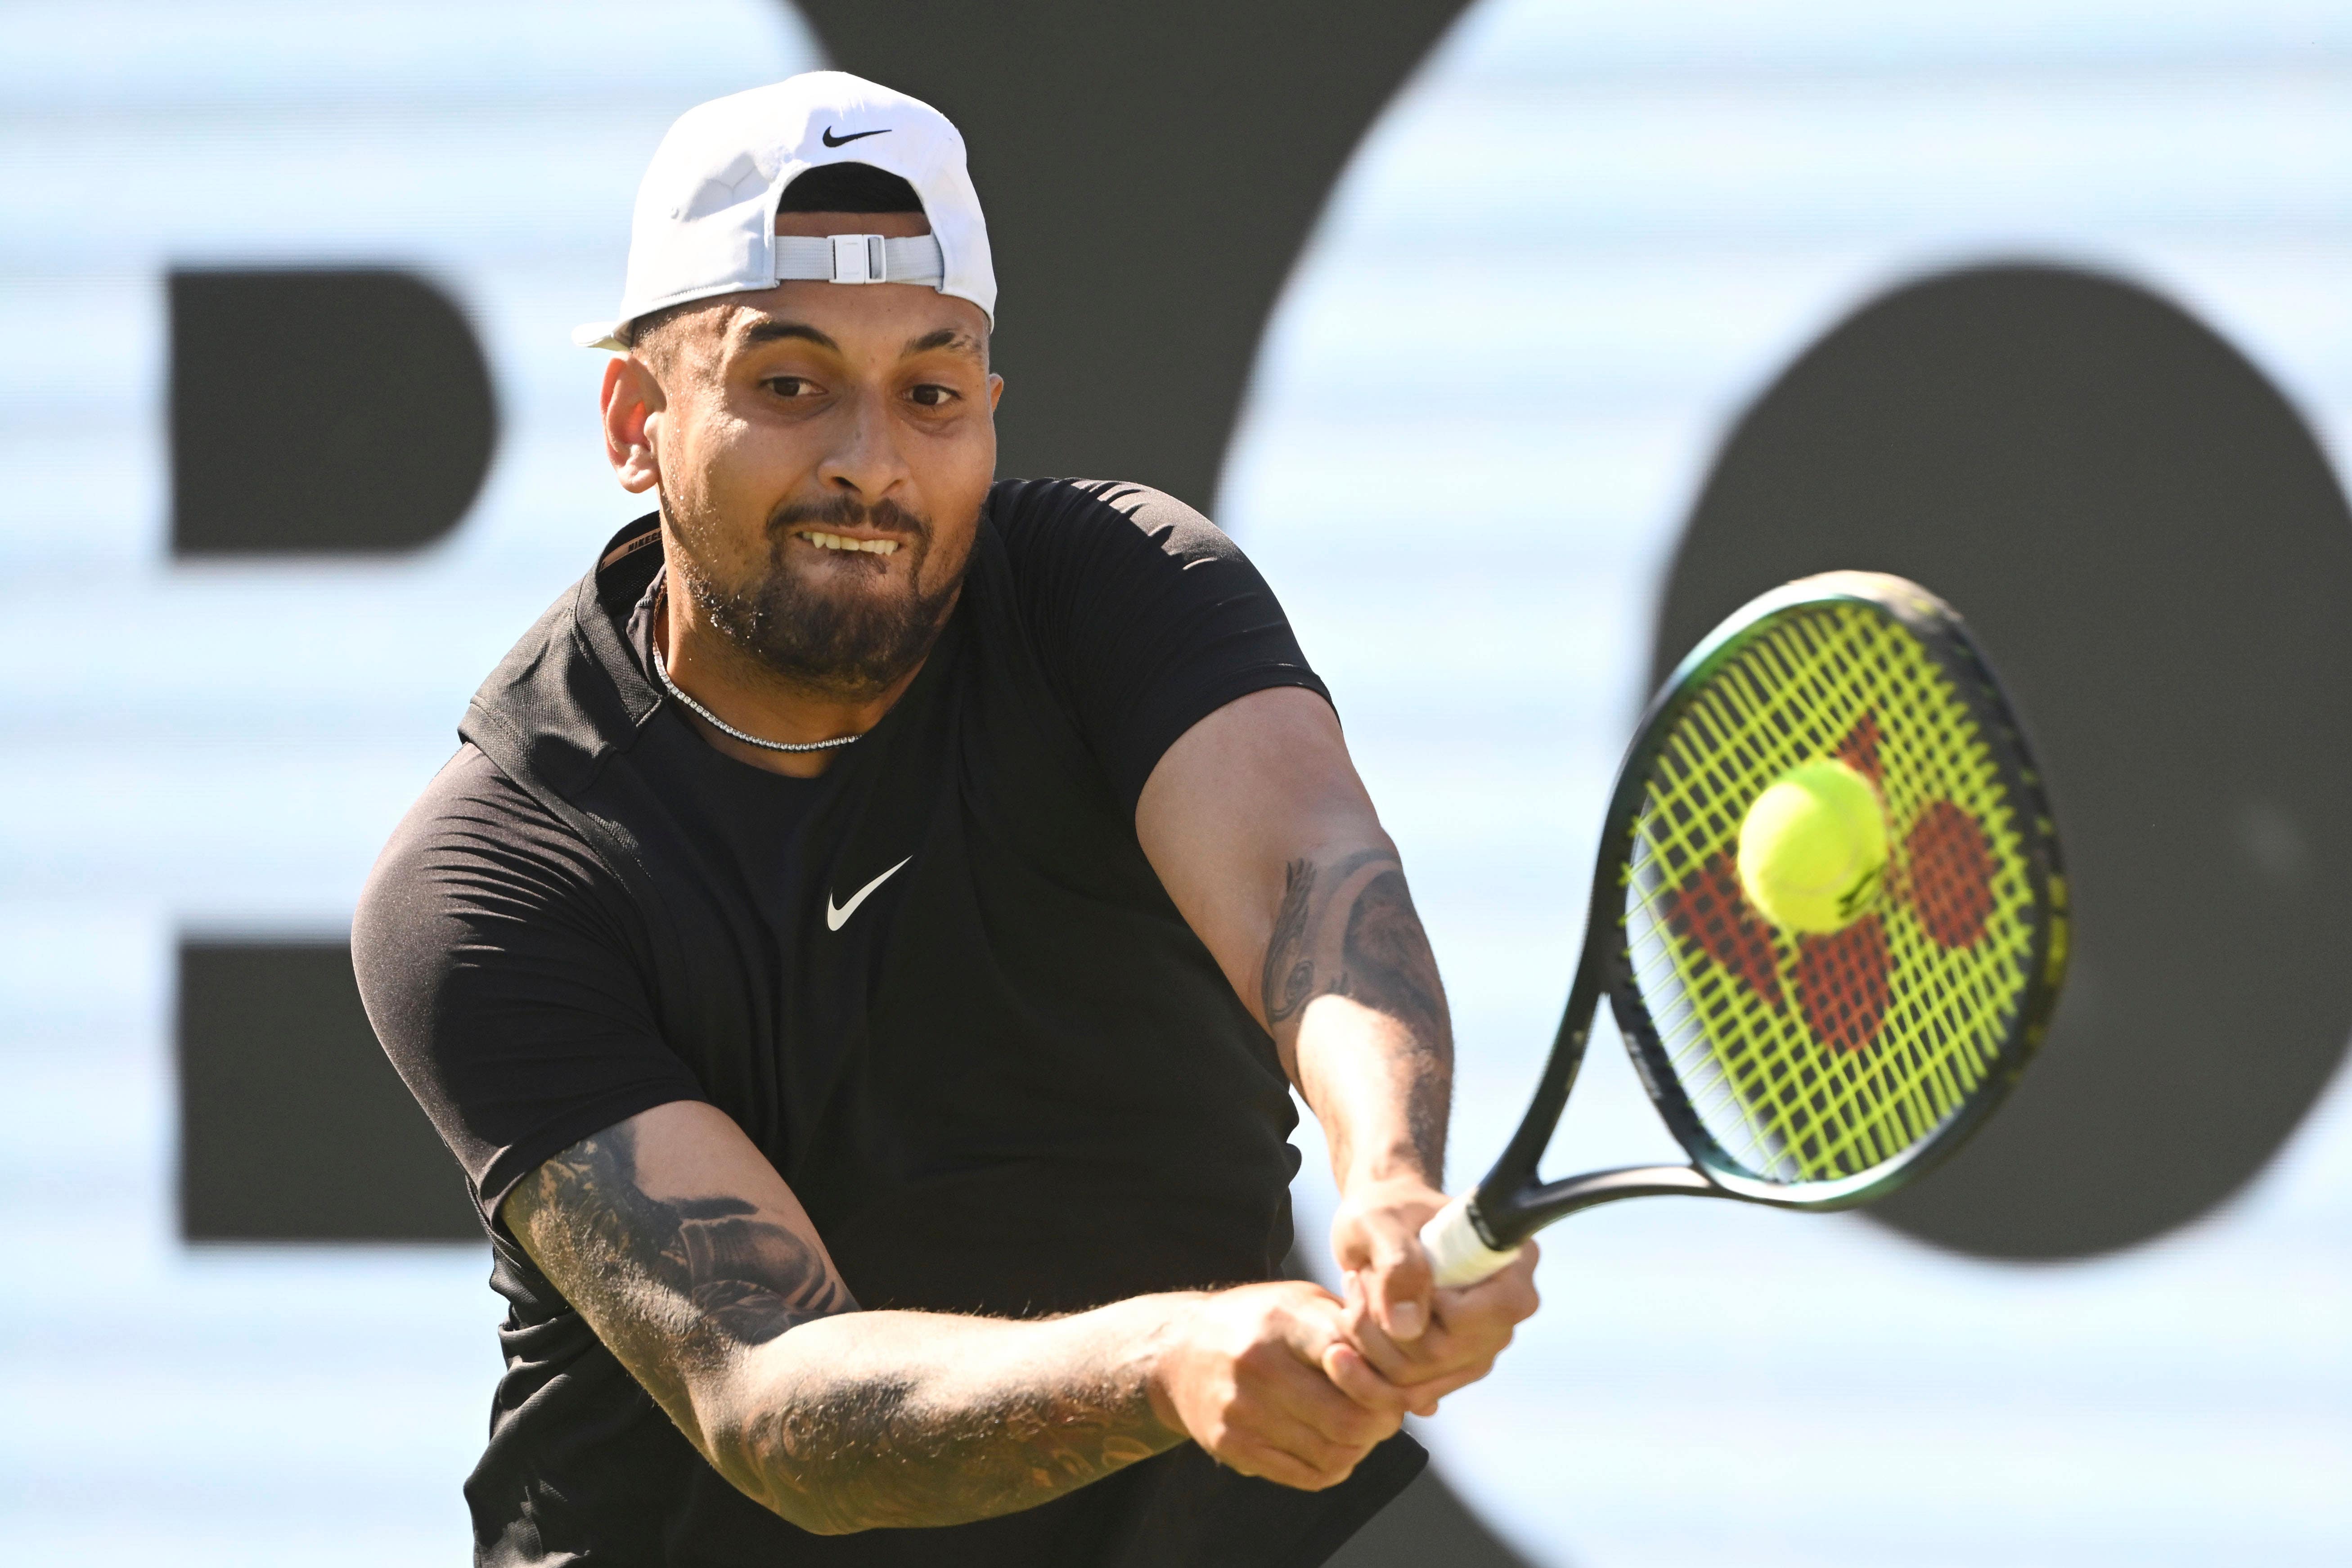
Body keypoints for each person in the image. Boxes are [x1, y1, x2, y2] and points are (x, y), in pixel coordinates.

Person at [355, 70, 1538, 1566]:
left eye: (931, 390)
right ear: (635, 420)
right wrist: (1169, 1362)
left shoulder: (1117, 592)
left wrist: (1388, 1176)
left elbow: (1312, 870)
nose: (872, 458)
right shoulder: (491, 878)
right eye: (788, 385)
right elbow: (772, 1394)